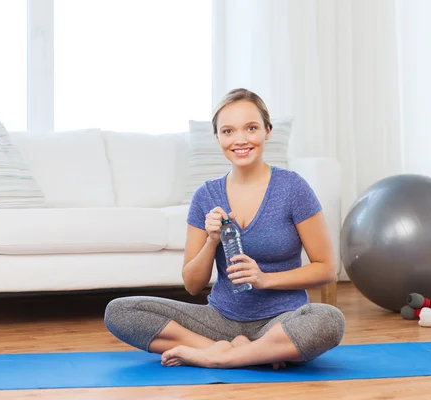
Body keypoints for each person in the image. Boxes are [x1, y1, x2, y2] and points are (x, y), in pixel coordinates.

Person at [104, 88, 345, 369]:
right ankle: (241, 352)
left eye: (251, 128)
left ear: (267, 131)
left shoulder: (293, 188)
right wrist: (211, 241)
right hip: (219, 321)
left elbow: (327, 268)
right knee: (120, 311)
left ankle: (220, 358)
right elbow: (193, 285)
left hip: (282, 322)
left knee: (330, 319)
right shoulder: (206, 196)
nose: (240, 140)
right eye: (228, 131)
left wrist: (265, 279)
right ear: (217, 137)